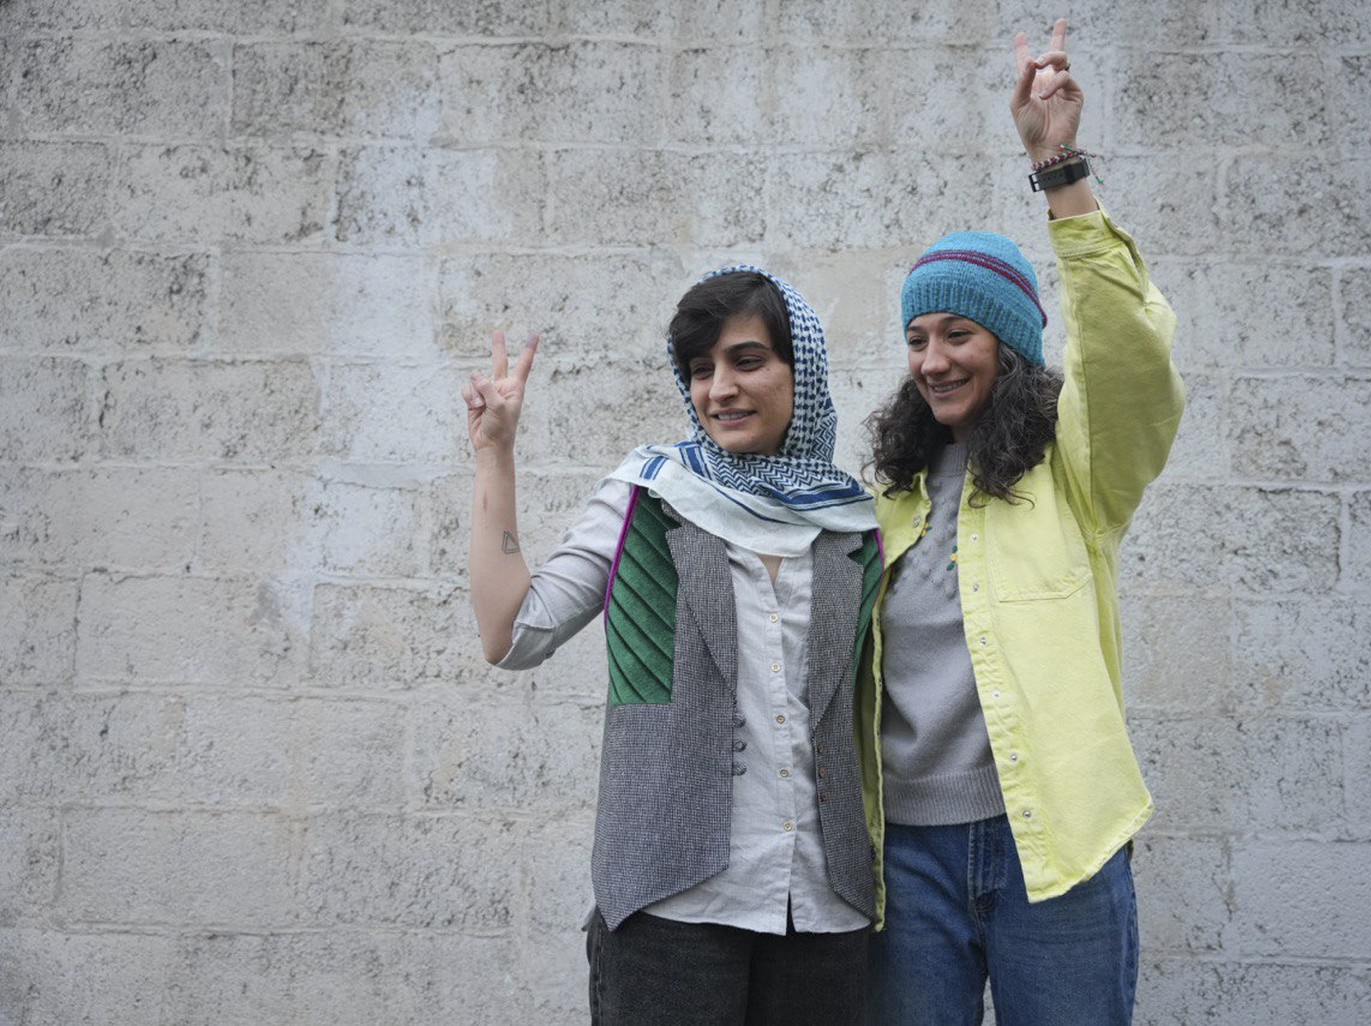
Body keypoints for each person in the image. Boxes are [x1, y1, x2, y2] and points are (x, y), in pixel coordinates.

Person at [860, 19, 1184, 1025]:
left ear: (1007, 344)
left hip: (1059, 851)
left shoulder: (1075, 475)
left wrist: (1061, 171)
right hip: (903, 865)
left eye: (958, 332)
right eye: (917, 337)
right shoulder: (893, 501)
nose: (933, 358)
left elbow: (1127, 349)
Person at [461, 267, 883, 1026]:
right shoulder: (648, 496)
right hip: (671, 907)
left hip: (823, 910)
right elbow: (513, 631)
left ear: (803, 370)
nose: (719, 388)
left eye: (746, 361)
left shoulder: (853, 524)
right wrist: (496, 452)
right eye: (699, 370)